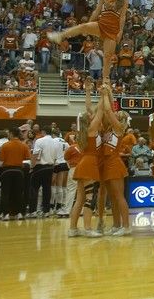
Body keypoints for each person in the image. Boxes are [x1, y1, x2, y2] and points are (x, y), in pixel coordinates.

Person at [48, 0, 128, 84]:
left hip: (113, 30)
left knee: (108, 56)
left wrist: (120, 31)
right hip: (101, 25)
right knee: (84, 26)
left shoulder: (124, 0)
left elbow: (123, 16)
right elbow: (96, 11)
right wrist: (89, 24)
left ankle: (105, 79)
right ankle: (60, 35)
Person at [68, 86, 105, 238]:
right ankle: (88, 229)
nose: (93, 115)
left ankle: (72, 229)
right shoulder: (92, 129)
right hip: (89, 164)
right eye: (90, 115)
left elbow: (89, 108)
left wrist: (89, 91)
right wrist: (104, 94)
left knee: (80, 199)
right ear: (89, 119)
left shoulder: (84, 130)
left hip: (82, 164)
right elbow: (101, 110)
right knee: (90, 197)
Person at [98, 88, 131, 236]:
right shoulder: (110, 128)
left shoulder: (118, 128)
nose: (115, 114)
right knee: (112, 198)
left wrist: (105, 94)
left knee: (119, 196)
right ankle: (117, 224)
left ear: (121, 120)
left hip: (115, 164)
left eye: (118, 115)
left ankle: (126, 226)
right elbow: (107, 110)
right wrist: (108, 92)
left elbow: (108, 109)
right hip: (106, 164)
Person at [29, 126, 63, 218]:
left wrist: (32, 167)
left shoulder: (39, 141)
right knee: (47, 189)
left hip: (40, 167)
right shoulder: (55, 142)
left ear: (43, 132)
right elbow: (56, 157)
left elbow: (36, 155)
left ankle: (33, 211)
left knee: (34, 189)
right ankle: (46, 211)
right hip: (50, 167)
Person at [0, 128, 31, 220]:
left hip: (6, 170)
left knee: (5, 192)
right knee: (18, 192)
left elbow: (1, 159)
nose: (8, 135)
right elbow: (27, 158)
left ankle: (5, 214)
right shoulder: (24, 146)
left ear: (12, 134)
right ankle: (20, 213)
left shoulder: (5, 145)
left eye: (9, 133)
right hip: (19, 171)